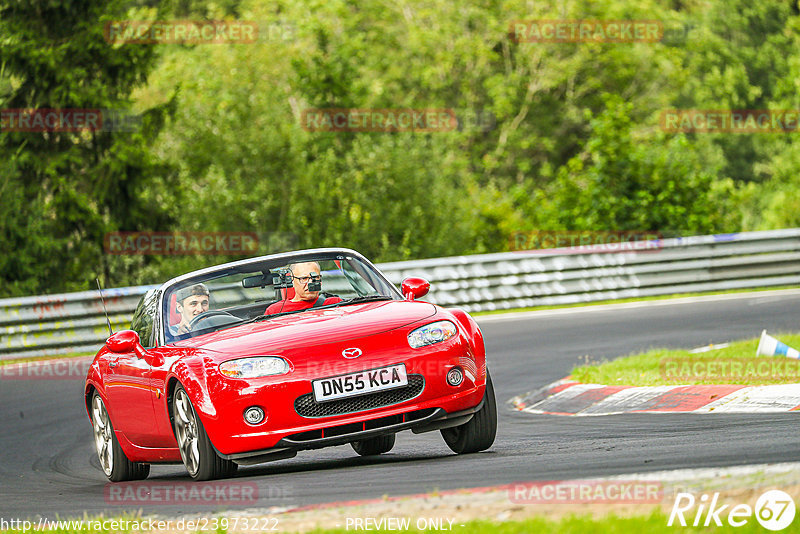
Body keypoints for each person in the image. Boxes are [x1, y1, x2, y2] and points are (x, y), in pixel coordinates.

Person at [265, 261, 341, 314]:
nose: (310, 283)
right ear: (292, 280)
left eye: (315, 278)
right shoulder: (275, 311)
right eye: (304, 278)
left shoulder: (336, 303)